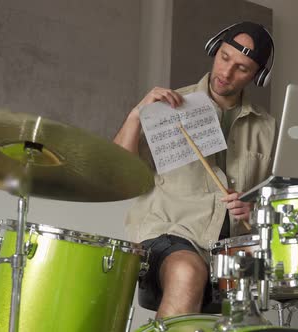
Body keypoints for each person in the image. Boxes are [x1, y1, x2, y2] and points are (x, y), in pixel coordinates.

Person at [113, 21, 276, 319]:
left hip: (232, 247)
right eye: (224, 57)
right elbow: (118, 173)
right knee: (188, 271)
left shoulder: (268, 128)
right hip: (169, 234)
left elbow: (273, 200)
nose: (226, 73)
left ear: (257, 76)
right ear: (215, 50)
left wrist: (251, 209)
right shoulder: (169, 105)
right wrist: (137, 115)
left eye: (242, 68)